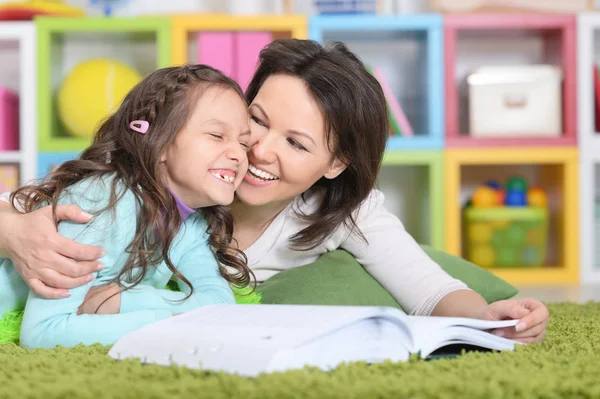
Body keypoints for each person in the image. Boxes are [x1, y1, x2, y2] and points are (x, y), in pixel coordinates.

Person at [0, 39, 548, 344]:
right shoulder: (162, 186)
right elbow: (53, 206)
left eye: (296, 142)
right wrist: (11, 226)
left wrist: (491, 322)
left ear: (337, 163)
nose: (255, 151)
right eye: (254, 120)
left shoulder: (341, 216)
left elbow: (426, 286)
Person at [0, 64, 253, 349]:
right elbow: (44, 333)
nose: (237, 155)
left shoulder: (192, 223)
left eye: (244, 143)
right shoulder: (102, 204)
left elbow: (219, 304)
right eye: (217, 136)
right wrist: (170, 323)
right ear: (161, 144)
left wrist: (125, 300)